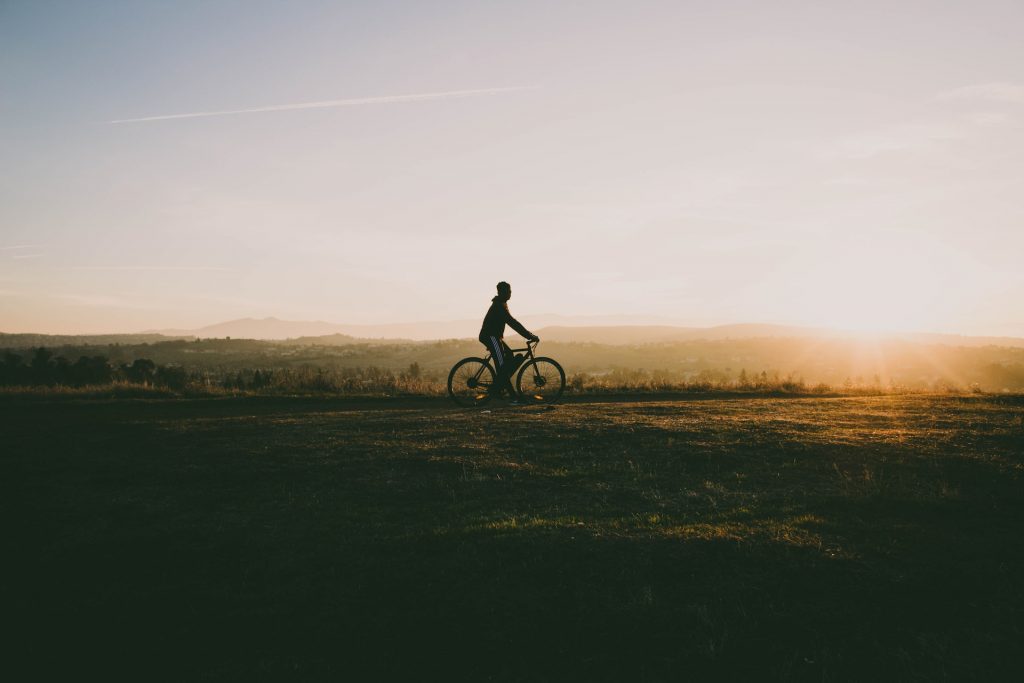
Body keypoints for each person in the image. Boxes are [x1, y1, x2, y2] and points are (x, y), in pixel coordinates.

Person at [479, 281, 539, 404]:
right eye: (508, 291)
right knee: (502, 368)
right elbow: (512, 323)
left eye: (510, 291)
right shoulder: (499, 306)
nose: (510, 293)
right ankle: (511, 396)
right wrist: (529, 335)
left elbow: (513, 322)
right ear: (501, 292)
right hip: (491, 337)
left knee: (510, 356)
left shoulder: (501, 304)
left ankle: (500, 384)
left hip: (496, 338)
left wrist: (528, 335)